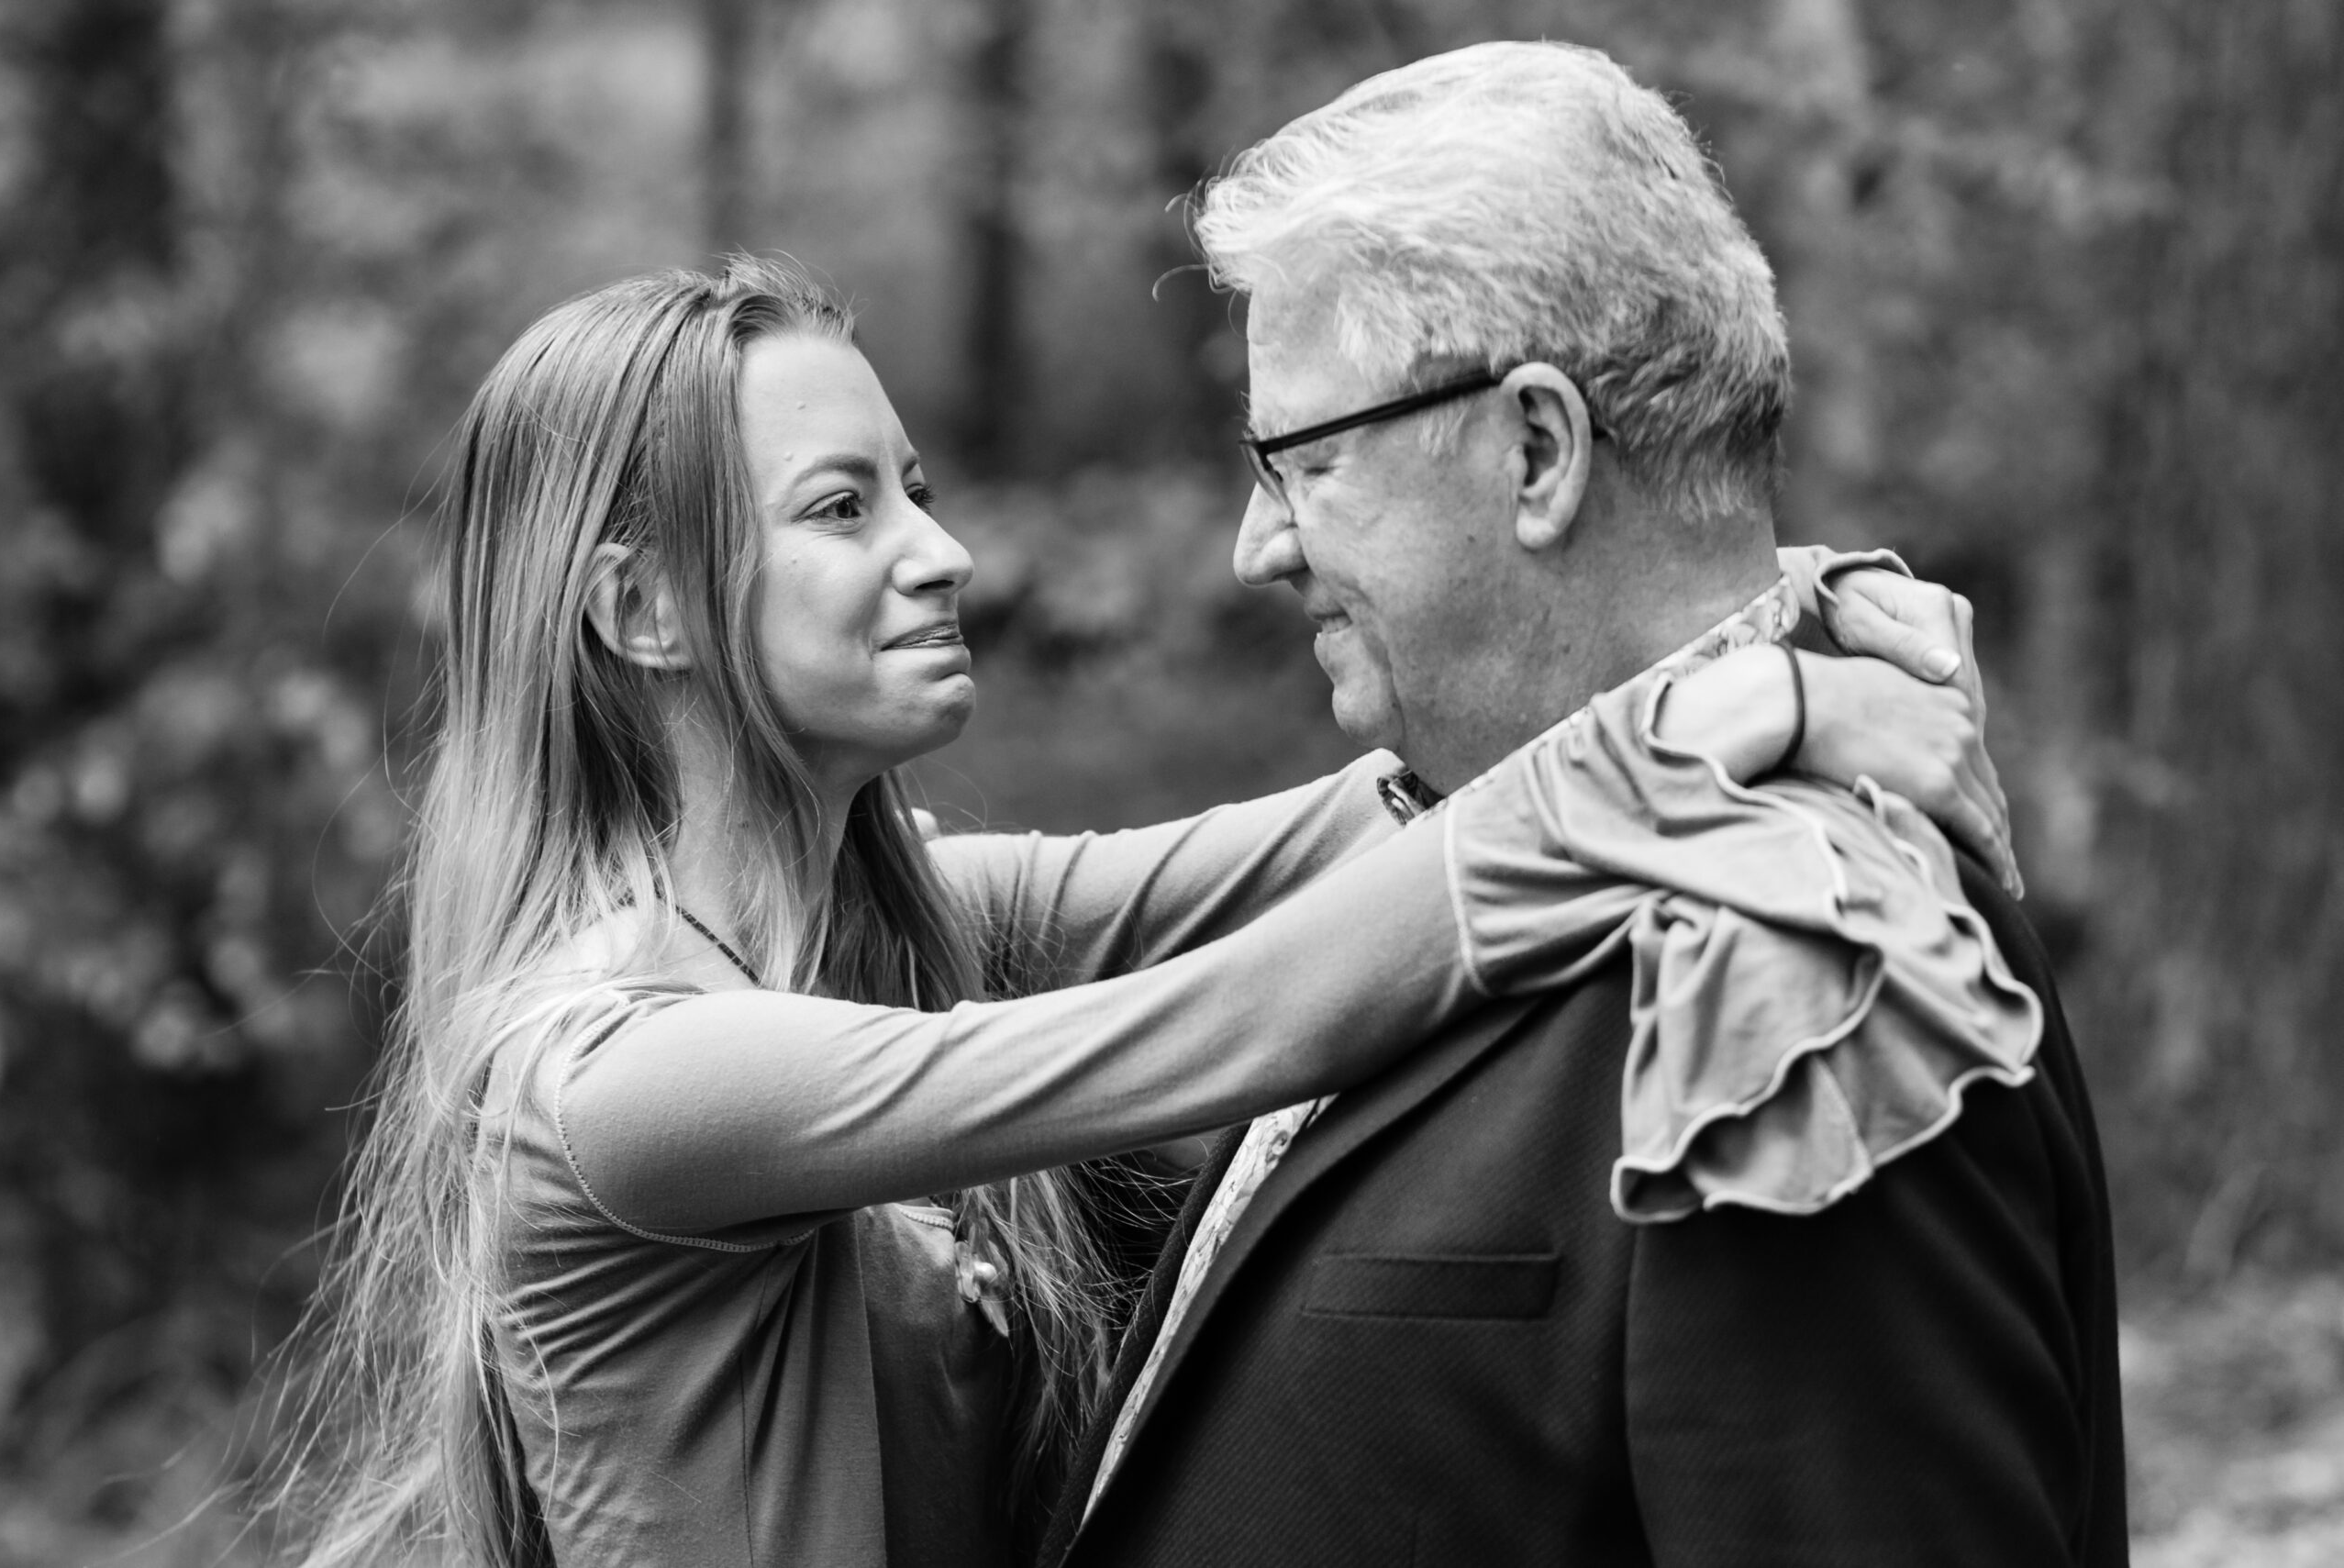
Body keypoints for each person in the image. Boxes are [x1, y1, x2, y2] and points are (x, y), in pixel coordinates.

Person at [268, 256, 2018, 1568]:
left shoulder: (880, 928)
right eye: (838, 509)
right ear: (642, 608)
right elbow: (1235, 1019)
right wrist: (1731, 727)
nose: (942, 554)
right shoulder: (619, 1079)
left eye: (918, 492)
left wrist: (1766, 611)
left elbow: (1355, 830)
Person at [1045, 41, 2126, 1568]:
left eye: (1301, 462)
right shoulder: (1474, 818)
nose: (1256, 545)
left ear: (1538, 451)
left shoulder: (1802, 980)